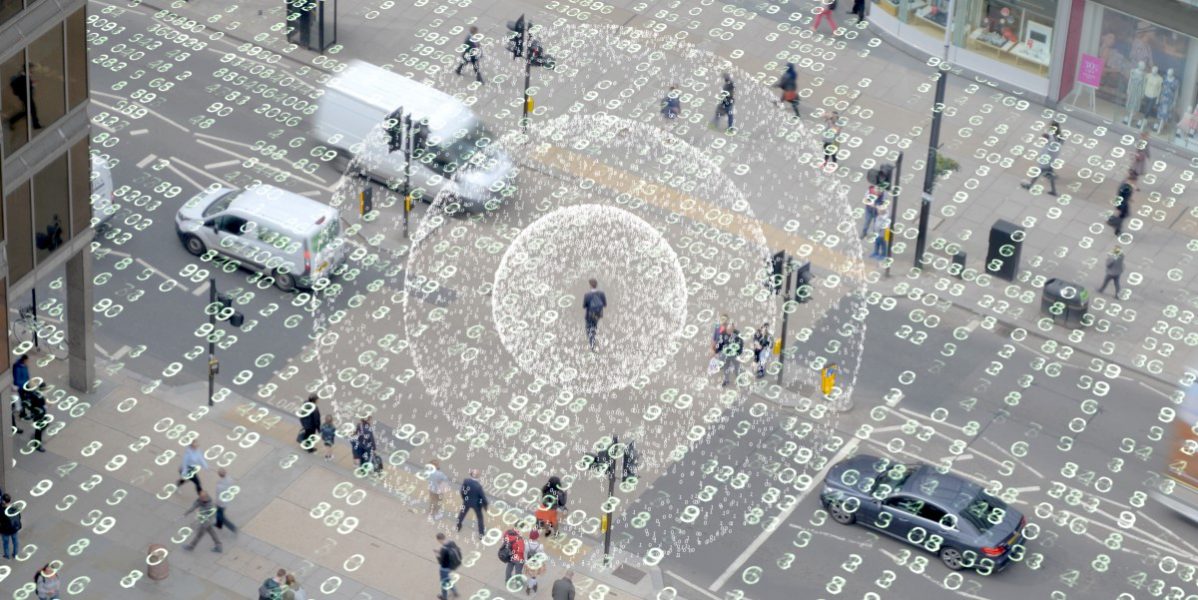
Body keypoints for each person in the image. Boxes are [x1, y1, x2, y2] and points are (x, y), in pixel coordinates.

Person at [1020, 132, 1060, 196]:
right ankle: (1053, 191)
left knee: (1037, 173)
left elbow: (1047, 154)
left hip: (1046, 163)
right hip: (1049, 163)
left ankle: (1030, 185)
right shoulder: (1052, 142)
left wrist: (1043, 162)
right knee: (1050, 176)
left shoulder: (1050, 146)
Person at [456, 469, 488, 537]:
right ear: (478, 476)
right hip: (476, 504)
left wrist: (464, 498)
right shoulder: (478, 486)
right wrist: (485, 505)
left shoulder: (466, 481)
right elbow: (483, 497)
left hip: (467, 501)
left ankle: (458, 526)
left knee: (462, 513)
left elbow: (462, 491)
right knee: (480, 518)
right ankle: (481, 534)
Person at [582, 278, 607, 352]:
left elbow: (584, 306)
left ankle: (592, 345)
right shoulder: (602, 294)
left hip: (589, 315)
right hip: (598, 315)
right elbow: (605, 304)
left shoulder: (587, 295)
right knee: (594, 326)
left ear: (590, 286)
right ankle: (594, 334)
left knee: (589, 329)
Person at [436, 532, 462, 600]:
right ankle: (455, 592)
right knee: (447, 580)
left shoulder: (443, 549)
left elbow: (440, 562)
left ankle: (444, 597)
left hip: (445, 568)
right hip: (453, 565)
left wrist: (438, 555)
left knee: (444, 582)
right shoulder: (451, 542)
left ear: (439, 540)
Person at [716, 322, 743, 387]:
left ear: (733, 329)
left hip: (734, 354)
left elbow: (741, 344)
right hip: (726, 354)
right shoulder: (723, 333)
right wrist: (718, 351)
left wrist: (739, 353)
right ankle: (726, 380)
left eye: (730, 330)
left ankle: (739, 379)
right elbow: (720, 343)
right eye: (728, 329)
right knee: (726, 367)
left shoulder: (738, 334)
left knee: (736, 367)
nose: (728, 331)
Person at [214, 468, 238, 534]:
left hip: (221, 504)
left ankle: (233, 528)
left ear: (219, 475)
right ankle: (218, 524)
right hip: (226, 501)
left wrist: (217, 503)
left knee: (222, 517)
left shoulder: (219, 486)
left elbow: (218, 496)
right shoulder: (230, 479)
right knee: (218, 515)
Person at [26, 382, 46, 451]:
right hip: (38, 414)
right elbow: (42, 402)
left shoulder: (34, 394)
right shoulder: (36, 395)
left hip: (39, 413)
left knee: (41, 427)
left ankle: (36, 440)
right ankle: (37, 445)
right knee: (39, 430)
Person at [0, 494, 20, 559]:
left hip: (4, 531)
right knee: (15, 542)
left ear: (3, 501)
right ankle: (15, 554)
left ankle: (7, 555)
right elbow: (19, 516)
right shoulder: (14, 507)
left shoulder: (1, 510)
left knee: (6, 544)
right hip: (14, 529)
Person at [12, 354, 29, 419]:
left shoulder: (25, 366)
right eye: (26, 360)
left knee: (24, 399)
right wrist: (22, 386)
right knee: (22, 399)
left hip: (25, 386)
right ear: (24, 360)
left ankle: (23, 412)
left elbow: (27, 375)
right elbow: (17, 379)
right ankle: (22, 413)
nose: (27, 362)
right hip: (21, 387)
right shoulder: (17, 368)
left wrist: (28, 383)